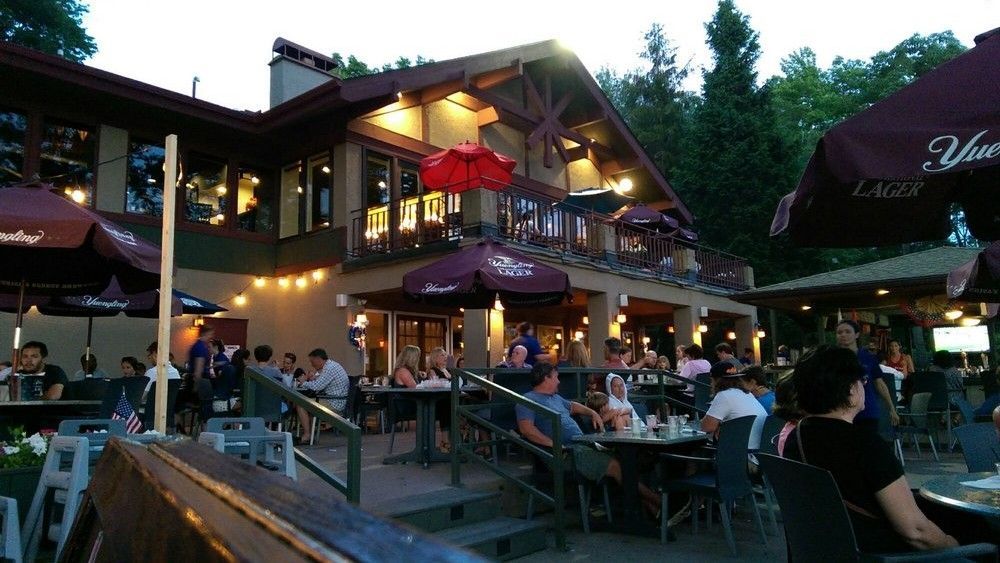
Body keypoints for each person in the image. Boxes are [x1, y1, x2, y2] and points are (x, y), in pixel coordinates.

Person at [784, 345, 960, 552]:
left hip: (831, 550)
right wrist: (957, 545)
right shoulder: (864, 444)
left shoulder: (796, 437)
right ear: (850, 389)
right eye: (863, 381)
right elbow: (917, 533)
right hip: (880, 553)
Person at [515, 362, 661, 518]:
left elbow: (573, 406)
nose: (559, 381)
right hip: (565, 453)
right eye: (556, 377)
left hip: (582, 446)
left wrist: (593, 413)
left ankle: (655, 511)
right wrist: (556, 445)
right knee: (616, 466)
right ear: (546, 378)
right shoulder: (527, 400)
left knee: (626, 461)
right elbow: (527, 430)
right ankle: (661, 504)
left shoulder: (555, 398)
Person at [835, 320, 898, 431]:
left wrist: (891, 408)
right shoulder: (831, 358)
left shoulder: (868, 357)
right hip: (840, 412)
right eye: (839, 332)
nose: (843, 335)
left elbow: (880, 384)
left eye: (847, 332)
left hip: (867, 411)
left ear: (857, 334)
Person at [701, 362, 767, 449]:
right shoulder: (747, 394)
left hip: (739, 455)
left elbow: (707, 427)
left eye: (711, 380)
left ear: (716, 380)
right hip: (757, 453)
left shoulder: (724, 395)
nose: (710, 384)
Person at [294, 348, 350, 437]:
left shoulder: (329, 368)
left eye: (312, 361)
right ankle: (311, 433)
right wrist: (313, 379)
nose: (311, 364)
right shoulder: (332, 365)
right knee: (308, 402)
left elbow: (317, 387)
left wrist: (303, 382)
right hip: (338, 400)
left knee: (301, 404)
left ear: (318, 359)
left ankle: (307, 435)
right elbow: (321, 382)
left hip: (334, 403)